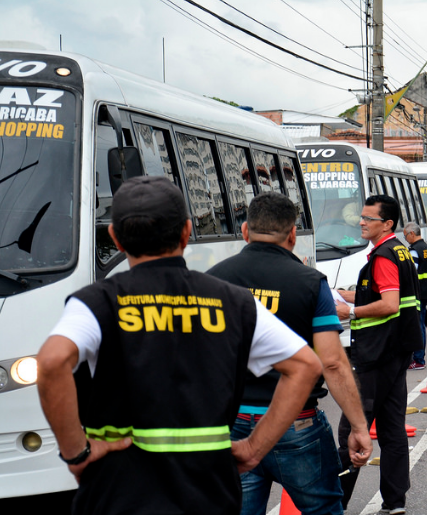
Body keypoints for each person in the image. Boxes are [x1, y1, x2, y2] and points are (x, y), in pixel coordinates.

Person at [36, 176, 323, 515]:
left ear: (115, 238)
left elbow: (52, 363)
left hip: (116, 491)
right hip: (210, 492)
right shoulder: (233, 302)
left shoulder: (96, 302)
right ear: (187, 232)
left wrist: (76, 453)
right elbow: (306, 365)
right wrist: (253, 449)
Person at [207, 192, 372, 515]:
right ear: (293, 235)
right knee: (323, 508)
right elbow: (333, 363)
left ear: (244, 231)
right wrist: (359, 428)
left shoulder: (214, 280)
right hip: (296, 425)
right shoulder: (310, 283)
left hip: (234, 423)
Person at [334, 195, 423, 515]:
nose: (361, 222)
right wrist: (338, 295)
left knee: (351, 430)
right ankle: (395, 501)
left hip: (377, 353)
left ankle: (334, 502)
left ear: (387, 224)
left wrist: (352, 311)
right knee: (392, 428)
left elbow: (389, 303)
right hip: (397, 351)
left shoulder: (383, 256)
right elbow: (380, 293)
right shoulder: (398, 249)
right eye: (361, 217)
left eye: (368, 219)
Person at [404, 221, 427, 370]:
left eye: (405, 236)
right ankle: (418, 358)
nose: (405, 239)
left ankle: (418, 359)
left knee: (416, 326)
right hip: (424, 291)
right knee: (420, 324)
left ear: (411, 233)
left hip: (414, 293)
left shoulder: (414, 250)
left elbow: (410, 271)